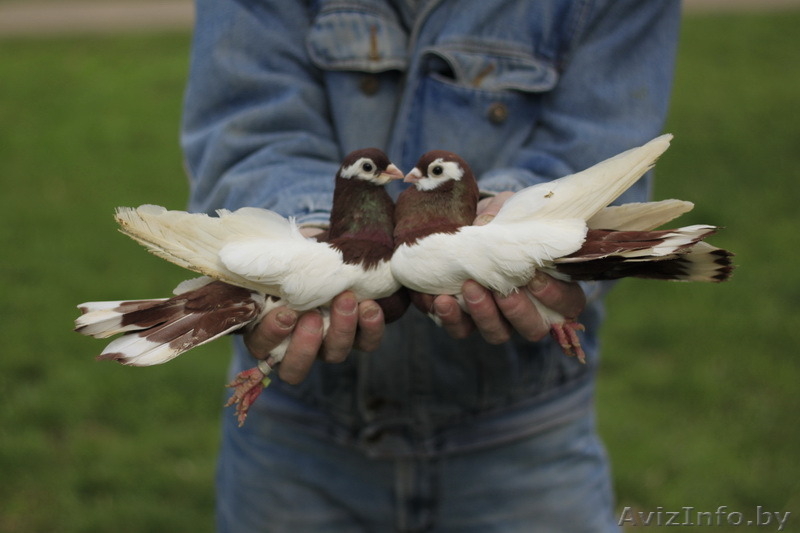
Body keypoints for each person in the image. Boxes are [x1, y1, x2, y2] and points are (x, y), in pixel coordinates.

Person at [180, 1, 681, 531]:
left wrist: (501, 222)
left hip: (527, 433)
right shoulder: (401, 263)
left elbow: (597, 132)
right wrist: (316, 238)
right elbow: (248, 130)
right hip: (294, 438)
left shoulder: (418, 262)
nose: (403, 177)